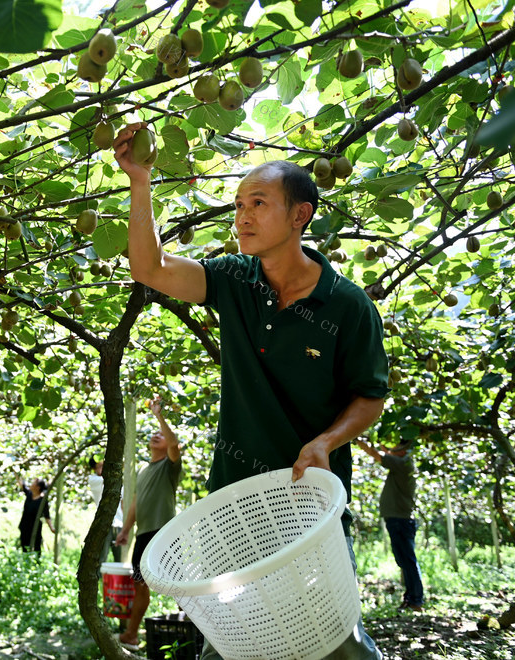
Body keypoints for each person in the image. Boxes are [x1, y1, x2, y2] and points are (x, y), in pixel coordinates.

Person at [115, 126, 390, 658]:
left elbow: (369, 397)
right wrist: (141, 182)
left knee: (339, 643)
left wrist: (325, 442)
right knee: (233, 644)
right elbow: (149, 268)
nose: (241, 216)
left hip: (309, 504)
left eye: (258, 203)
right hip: (233, 507)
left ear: (299, 216)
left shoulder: (349, 306)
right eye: (238, 204)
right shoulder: (236, 280)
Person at [114, 396, 181, 647]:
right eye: (153, 433)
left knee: (178, 583)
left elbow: (174, 443)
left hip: (163, 532)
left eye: (160, 434)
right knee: (140, 584)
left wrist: (158, 415)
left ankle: (199, 630)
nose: (156, 435)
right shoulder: (144, 471)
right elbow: (135, 504)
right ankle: (131, 635)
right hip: (144, 535)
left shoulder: (170, 466)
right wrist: (125, 530)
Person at [356, 437, 424, 611]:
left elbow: (377, 454)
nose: (392, 448)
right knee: (405, 561)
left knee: (407, 561)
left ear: (404, 450)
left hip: (400, 521)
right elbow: (386, 453)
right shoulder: (404, 463)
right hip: (399, 520)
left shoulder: (403, 464)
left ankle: (416, 600)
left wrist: (356, 439)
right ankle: (412, 599)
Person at [87, 455, 123, 562]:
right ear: (94, 468)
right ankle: (101, 578)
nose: (105, 468)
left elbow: (123, 503)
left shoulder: (119, 483)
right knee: (101, 558)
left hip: (119, 525)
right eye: (101, 466)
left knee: (121, 559)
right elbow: (107, 479)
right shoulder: (94, 480)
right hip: (104, 525)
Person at [17, 476, 56, 554]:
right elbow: (21, 484)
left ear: (37, 487)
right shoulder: (29, 494)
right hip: (24, 525)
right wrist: (15, 471)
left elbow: (47, 515)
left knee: (36, 547)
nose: (31, 484)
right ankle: (26, 562)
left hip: (35, 527)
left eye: (33, 483)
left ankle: (36, 563)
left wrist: (52, 528)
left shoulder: (42, 500)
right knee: (25, 547)